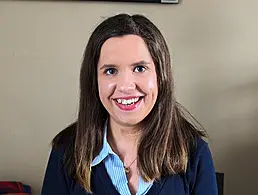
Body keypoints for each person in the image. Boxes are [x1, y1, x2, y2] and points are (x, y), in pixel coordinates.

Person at [41, 13, 218, 195]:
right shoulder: (66, 151)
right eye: (110, 70)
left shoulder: (194, 152)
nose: (126, 86)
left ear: (160, 76)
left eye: (140, 68)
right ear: (94, 81)